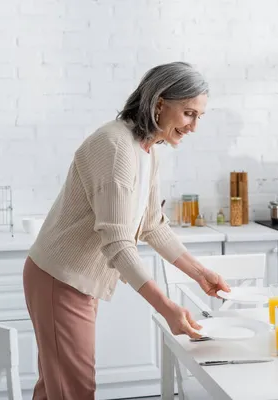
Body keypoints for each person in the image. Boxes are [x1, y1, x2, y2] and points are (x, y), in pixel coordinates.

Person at [22, 61, 230, 400]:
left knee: (56, 387)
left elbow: (151, 226)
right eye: (189, 113)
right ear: (160, 103)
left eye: (199, 116)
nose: (193, 126)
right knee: (73, 390)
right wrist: (165, 307)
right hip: (59, 279)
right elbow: (117, 241)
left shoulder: (148, 150)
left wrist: (199, 272)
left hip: (72, 279)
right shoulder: (115, 146)